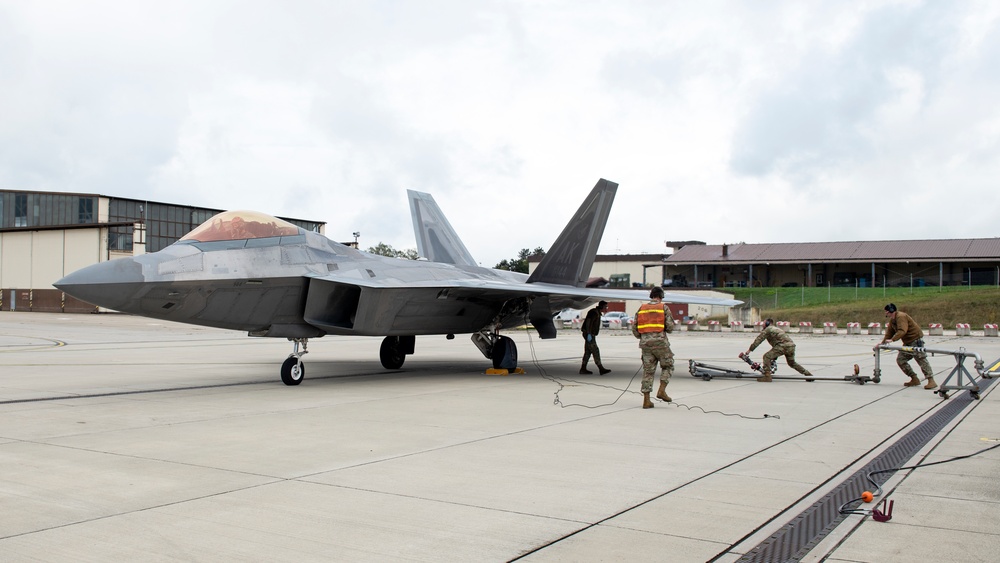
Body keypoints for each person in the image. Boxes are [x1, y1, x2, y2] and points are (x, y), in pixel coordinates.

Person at [630, 286, 675, 408]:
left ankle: (646, 400)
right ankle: (661, 390)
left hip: (645, 344)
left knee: (648, 371)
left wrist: (643, 337)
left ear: (651, 296)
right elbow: (670, 327)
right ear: (661, 296)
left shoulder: (642, 308)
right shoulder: (663, 307)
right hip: (661, 343)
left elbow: (634, 327)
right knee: (668, 365)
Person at [877, 303, 936, 389]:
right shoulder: (892, 320)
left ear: (890, 311)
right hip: (908, 343)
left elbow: (902, 330)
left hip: (915, 340)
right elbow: (889, 333)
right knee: (901, 360)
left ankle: (931, 380)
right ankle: (914, 378)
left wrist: (893, 339)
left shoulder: (901, 317)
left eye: (886, 311)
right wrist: (882, 343)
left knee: (921, 359)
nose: (885, 313)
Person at [743, 318, 814, 382]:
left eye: (763, 323)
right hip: (791, 346)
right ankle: (808, 374)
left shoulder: (768, 329)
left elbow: (758, 340)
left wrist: (750, 350)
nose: (762, 325)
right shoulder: (776, 329)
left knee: (766, 356)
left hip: (783, 346)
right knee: (792, 363)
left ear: (767, 323)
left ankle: (767, 376)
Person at [580, 301, 611, 375]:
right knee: (595, 350)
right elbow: (588, 322)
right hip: (589, 334)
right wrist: (588, 333)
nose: (606, 308)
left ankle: (583, 369)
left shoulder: (597, 313)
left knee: (588, 351)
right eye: (605, 307)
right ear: (601, 307)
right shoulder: (594, 312)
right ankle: (601, 368)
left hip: (590, 334)